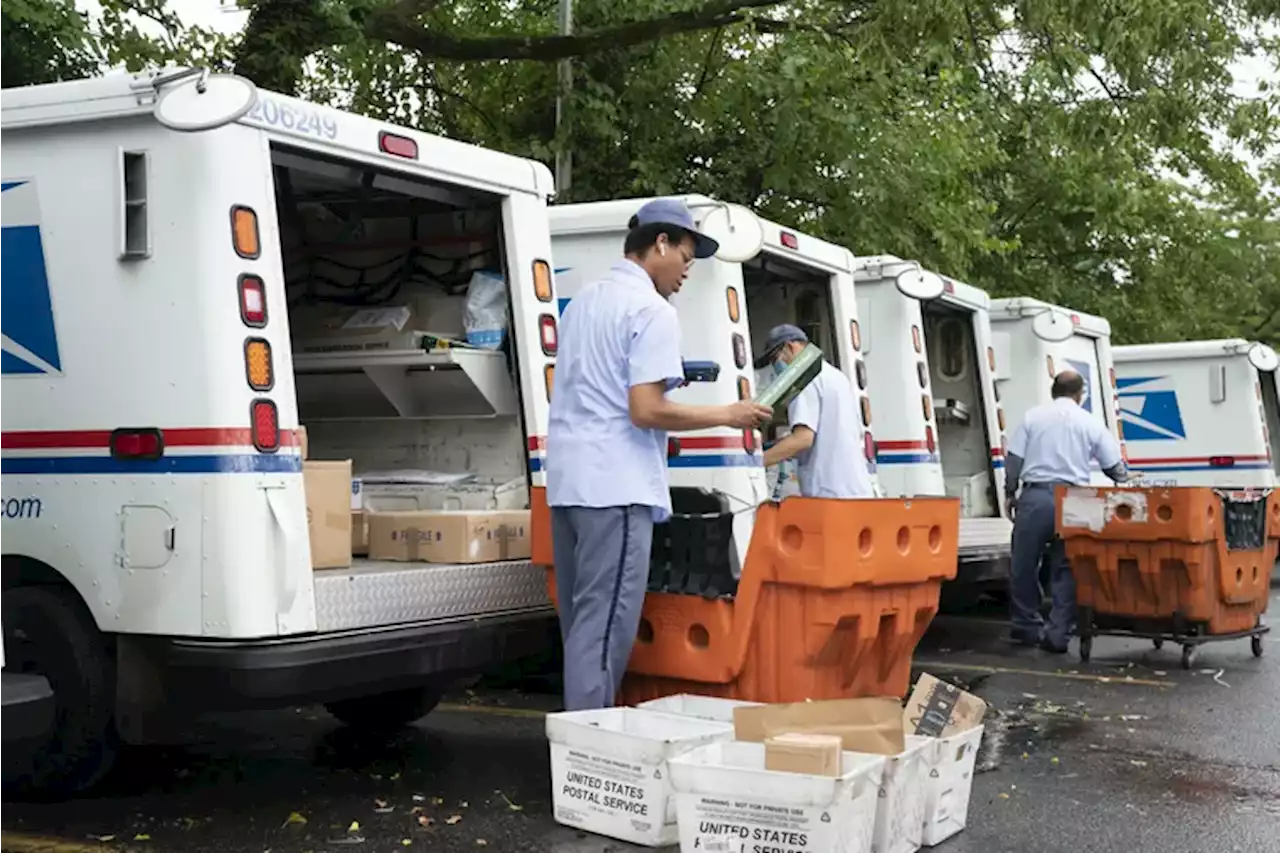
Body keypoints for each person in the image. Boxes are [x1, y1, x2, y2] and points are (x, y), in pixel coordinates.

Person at [544, 198, 773, 711]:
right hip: (616, 486)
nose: (688, 271)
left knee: (582, 626)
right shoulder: (652, 310)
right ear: (661, 243)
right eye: (687, 257)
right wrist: (728, 414)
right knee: (604, 632)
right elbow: (646, 409)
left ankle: (580, 747)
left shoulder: (582, 302)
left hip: (568, 483)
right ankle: (589, 757)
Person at [1004, 370, 1136, 653]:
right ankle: (1058, 634)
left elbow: (1014, 459)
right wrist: (1127, 479)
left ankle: (1027, 627)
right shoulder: (1089, 422)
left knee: (1024, 564)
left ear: (1053, 391)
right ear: (1080, 395)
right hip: (1076, 499)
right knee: (1068, 567)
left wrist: (1009, 491)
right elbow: (1113, 466)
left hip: (1037, 496)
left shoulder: (1033, 417)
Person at [759, 324, 875, 499]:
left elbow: (803, 439)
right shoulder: (836, 376)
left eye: (774, 359)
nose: (775, 367)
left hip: (829, 495)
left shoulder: (803, 377)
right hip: (857, 490)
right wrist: (784, 443)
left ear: (789, 347)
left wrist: (757, 463)